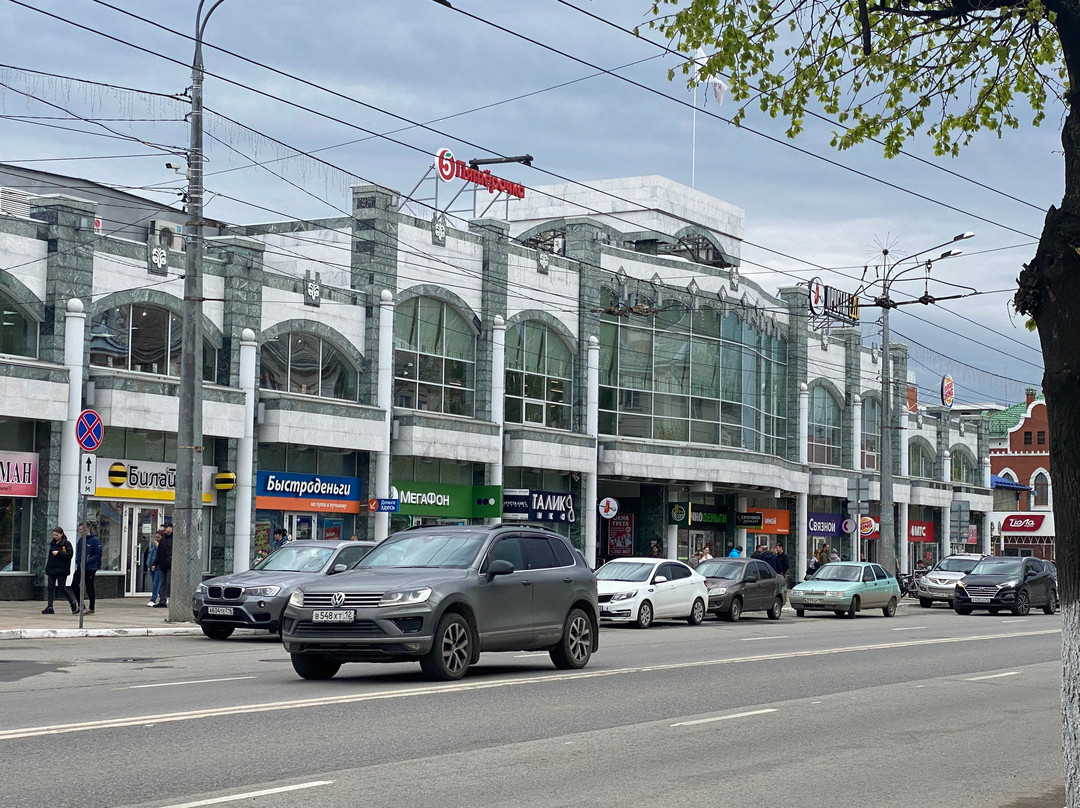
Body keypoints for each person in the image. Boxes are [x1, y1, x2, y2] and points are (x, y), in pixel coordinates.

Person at [42, 527, 77, 615]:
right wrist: (47, 568)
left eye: (57, 535)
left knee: (62, 587)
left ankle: (72, 602)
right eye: (54, 535)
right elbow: (50, 557)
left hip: (62, 569)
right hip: (52, 569)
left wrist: (59, 553)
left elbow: (69, 555)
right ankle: (50, 606)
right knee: (50, 587)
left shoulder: (66, 544)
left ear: (61, 534)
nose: (55, 537)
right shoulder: (53, 543)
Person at [71, 522, 102, 615]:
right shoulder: (81, 540)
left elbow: (98, 553)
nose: (79, 531)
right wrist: (78, 561)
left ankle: (91, 607)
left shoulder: (95, 540)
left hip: (90, 568)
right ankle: (81, 604)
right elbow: (78, 552)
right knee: (74, 584)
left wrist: (88, 560)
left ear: (86, 529)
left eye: (80, 529)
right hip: (80, 567)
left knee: (89, 587)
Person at [152, 522, 173, 608]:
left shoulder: (175, 539)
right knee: (163, 583)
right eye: (164, 527)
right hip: (163, 565)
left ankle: (173, 600)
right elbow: (159, 553)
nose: (165, 529)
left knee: (169, 583)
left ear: (171, 528)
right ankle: (162, 601)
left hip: (171, 565)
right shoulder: (163, 539)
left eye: (166, 527)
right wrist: (155, 563)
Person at [145, 530, 163, 606]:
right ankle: (163, 597)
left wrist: (157, 547)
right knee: (155, 583)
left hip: (158, 566)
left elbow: (160, 555)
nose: (156, 539)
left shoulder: (161, 546)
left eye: (158, 537)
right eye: (156, 537)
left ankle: (153, 599)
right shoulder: (153, 546)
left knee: (156, 583)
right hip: (151, 566)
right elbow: (151, 555)